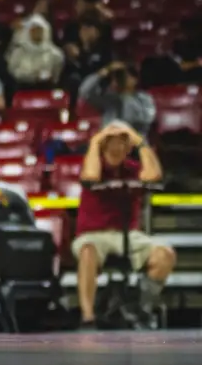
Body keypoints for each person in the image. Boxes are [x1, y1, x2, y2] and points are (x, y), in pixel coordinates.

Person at [72, 122, 176, 328]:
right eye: (112, 142)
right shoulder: (93, 164)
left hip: (128, 234)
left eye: (122, 143)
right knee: (87, 252)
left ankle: (141, 307)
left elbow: (153, 175)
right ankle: (88, 316)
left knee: (165, 255)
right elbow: (91, 177)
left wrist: (139, 141)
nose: (117, 147)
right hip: (93, 234)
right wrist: (95, 141)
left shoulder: (132, 169)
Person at [78, 62, 157, 137]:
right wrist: (102, 73)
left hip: (135, 143)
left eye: (123, 77)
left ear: (135, 80)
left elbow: (145, 119)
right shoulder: (109, 99)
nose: (118, 81)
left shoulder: (144, 98)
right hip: (109, 143)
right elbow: (85, 92)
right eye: (116, 78)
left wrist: (125, 95)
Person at [6, 15, 64, 89]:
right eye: (33, 30)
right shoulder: (20, 50)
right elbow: (13, 72)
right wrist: (32, 77)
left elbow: (56, 74)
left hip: (46, 87)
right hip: (23, 87)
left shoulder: (54, 53)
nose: (37, 33)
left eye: (39, 30)